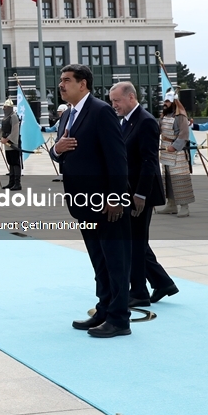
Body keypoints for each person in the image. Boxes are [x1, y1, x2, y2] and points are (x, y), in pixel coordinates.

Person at [50, 64, 131, 338]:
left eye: (66, 81)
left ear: (83, 84)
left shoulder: (100, 111)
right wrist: (55, 150)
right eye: (61, 80)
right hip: (82, 203)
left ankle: (120, 319)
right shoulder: (68, 115)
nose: (61, 85)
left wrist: (116, 197)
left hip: (105, 204)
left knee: (115, 261)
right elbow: (62, 151)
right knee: (99, 261)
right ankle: (104, 310)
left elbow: (117, 157)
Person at [109, 82, 178, 307]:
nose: (114, 105)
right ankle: (162, 282)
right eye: (112, 101)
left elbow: (149, 161)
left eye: (117, 101)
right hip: (128, 190)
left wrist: (140, 194)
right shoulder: (126, 121)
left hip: (140, 192)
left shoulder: (146, 121)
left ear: (130, 97)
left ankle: (139, 291)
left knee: (135, 243)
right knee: (134, 241)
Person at [157, 92, 195, 217]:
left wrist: (175, 146)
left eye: (167, 102)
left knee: (180, 180)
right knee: (167, 180)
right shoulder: (163, 116)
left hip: (177, 153)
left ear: (173, 103)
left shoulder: (181, 117)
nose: (165, 104)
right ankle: (171, 204)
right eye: (165, 101)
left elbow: (184, 134)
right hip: (165, 151)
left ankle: (184, 206)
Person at [0, 99, 22, 191]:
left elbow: (15, 131)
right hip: (7, 143)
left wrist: (7, 139)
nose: (4, 108)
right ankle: (11, 182)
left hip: (13, 143)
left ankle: (17, 183)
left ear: (10, 108)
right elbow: (2, 129)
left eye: (5, 107)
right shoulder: (6, 117)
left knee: (15, 163)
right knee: (10, 163)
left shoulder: (14, 117)